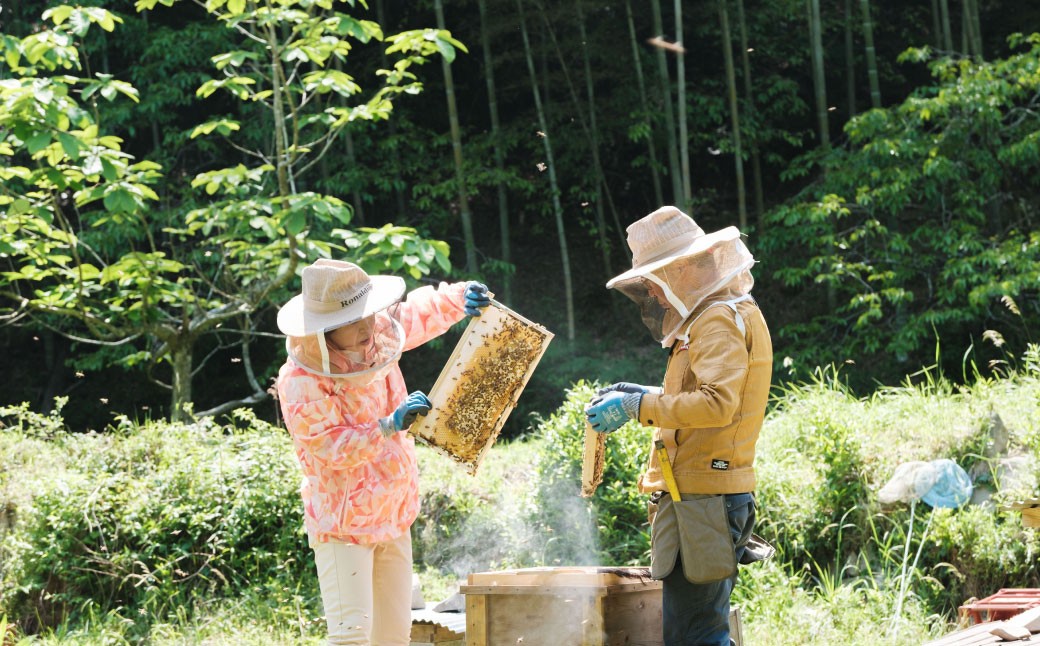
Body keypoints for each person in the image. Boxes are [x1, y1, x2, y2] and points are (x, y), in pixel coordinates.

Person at [274, 258, 490, 646]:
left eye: (368, 314)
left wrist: (460, 298)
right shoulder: (300, 380)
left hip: (393, 510)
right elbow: (328, 448)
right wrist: (389, 425)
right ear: (324, 331)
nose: (367, 326)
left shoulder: (378, 335)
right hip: (342, 523)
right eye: (353, 321)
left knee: (393, 636)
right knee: (351, 636)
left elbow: (415, 314)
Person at [585, 206, 772, 646]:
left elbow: (717, 404)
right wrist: (642, 393)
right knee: (697, 632)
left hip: (704, 497)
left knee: (697, 637)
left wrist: (637, 405)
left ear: (682, 270)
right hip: (700, 495)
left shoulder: (716, 319)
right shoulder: (721, 314)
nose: (651, 290)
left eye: (655, 278)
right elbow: (708, 393)